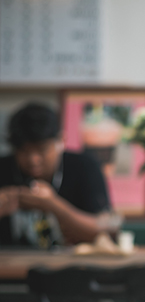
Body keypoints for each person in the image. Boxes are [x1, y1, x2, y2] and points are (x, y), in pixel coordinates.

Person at [0, 102, 113, 248]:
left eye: (42, 150)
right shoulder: (3, 168)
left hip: (73, 268)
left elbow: (106, 231)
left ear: (61, 141)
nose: (33, 160)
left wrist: (54, 206)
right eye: (24, 151)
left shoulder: (84, 166)